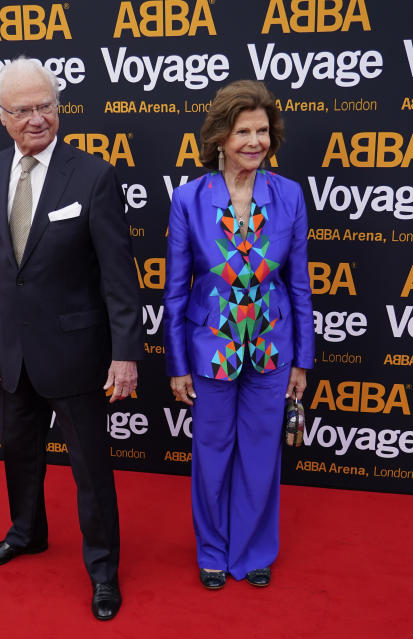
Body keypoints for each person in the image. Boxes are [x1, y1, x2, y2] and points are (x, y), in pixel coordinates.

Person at [0, 57, 142, 620]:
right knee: (19, 455)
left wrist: (125, 355)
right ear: (1, 116)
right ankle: (26, 533)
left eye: (46, 105)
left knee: (90, 468)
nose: (37, 118)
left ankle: (104, 570)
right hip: (12, 352)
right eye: (23, 110)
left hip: (77, 352)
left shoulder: (92, 175)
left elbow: (118, 275)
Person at [163, 80, 315, 590]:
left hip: (272, 349)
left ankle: (252, 551)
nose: (255, 141)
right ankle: (211, 549)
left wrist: (302, 361)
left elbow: (299, 286)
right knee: (211, 454)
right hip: (211, 350)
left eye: (263, 130)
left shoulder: (289, 196)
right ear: (220, 138)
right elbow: (176, 292)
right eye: (244, 131)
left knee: (260, 455)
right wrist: (177, 364)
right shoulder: (189, 199)